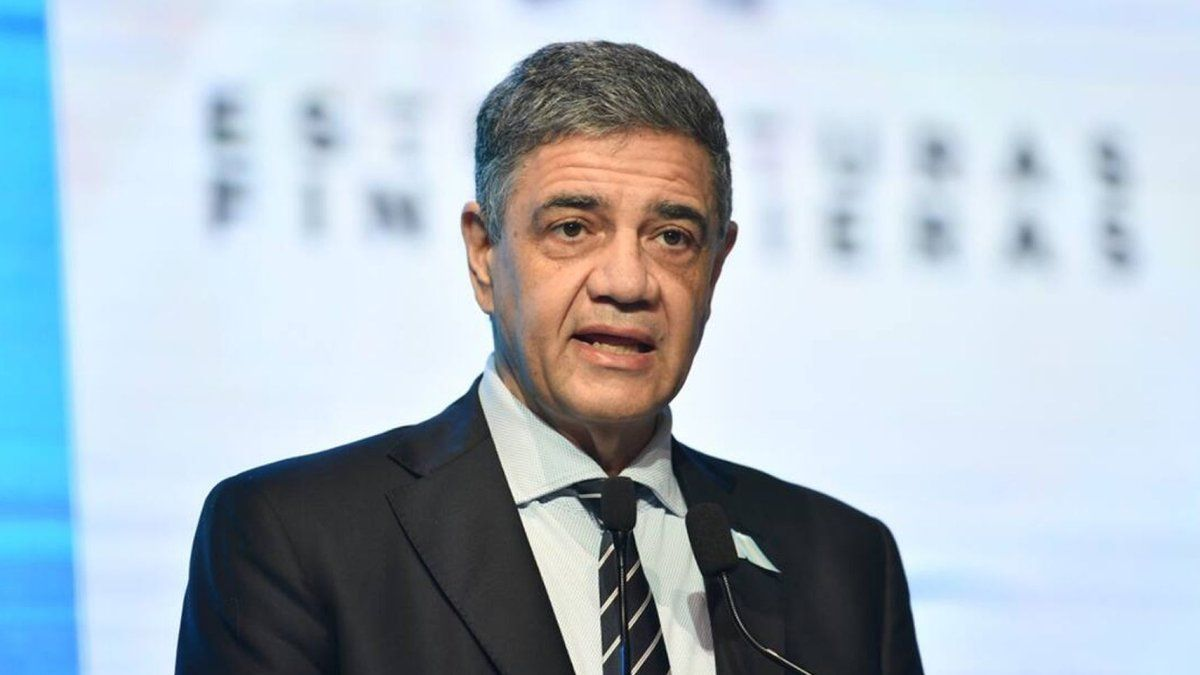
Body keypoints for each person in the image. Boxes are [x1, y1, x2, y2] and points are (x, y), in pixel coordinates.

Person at [176, 41, 923, 675]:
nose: (627, 282)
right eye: (572, 228)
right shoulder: (297, 536)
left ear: (715, 268)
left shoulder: (845, 565)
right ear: (483, 254)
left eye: (672, 238)